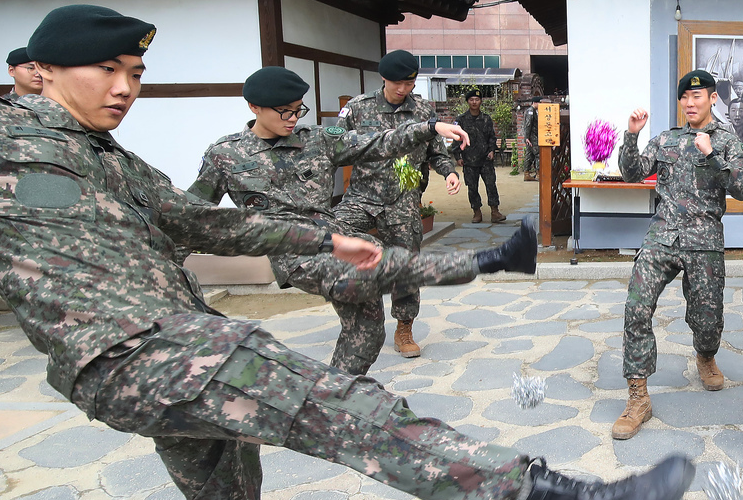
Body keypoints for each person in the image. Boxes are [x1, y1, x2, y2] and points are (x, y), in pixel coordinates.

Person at [0, 4, 695, 500]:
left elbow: (209, 225)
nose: (125, 86)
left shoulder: (117, 161)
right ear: (41, 69)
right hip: (129, 353)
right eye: (107, 69)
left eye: (135, 72)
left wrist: (324, 232)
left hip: (177, 342)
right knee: (339, 400)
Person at [186, 66, 523, 375]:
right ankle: (492, 260)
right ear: (254, 107)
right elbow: (189, 214)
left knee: (368, 330)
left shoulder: (315, 140)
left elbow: (377, 142)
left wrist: (430, 126)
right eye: (284, 111)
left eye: (298, 109)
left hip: (337, 237)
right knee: (385, 266)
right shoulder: (226, 155)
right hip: (297, 255)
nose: (293, 118)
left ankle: (336, 394)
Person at [612, 70, 743, 439]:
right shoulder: (666, 139)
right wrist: (631, 135)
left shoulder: (725, 140)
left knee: (707, 320)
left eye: (698, 96)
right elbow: (631, 173)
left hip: (703, 239)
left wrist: (712, 158)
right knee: (637, 306)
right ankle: (638, 396)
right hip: (663, 235)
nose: (690, 103)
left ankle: (706, 356)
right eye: (684, 98)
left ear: (712, 99)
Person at [335, 50, 461, 359]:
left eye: (410, 83)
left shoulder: (422, 109)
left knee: (406, 261)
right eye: (397, 84)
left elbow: (436, 151)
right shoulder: (357, 109)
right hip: (362, 196)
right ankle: (356, 314)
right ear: (383, 79)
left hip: (403, 197)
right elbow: (335, 147)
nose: (403, 90)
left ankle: (404, 327)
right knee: (332, 238)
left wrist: (450, 172)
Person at [457, 88, 505, 224]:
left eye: (477, 100)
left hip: (485, 159)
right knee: (472, 188)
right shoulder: (461, 120)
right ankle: (476, 212)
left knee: (491, 185)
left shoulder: (486, 119)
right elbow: (457, 138)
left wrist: (491, 150)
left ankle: (495, 211)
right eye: (471, 100)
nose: (474, 102)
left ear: (481, 101)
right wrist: (458, 156)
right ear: (467, 102)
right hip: (469, 160)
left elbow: (492, 137)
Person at [521, 97, 541, 180]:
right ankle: (538, 173)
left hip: (531, 136)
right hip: (532, 137)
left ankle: (527, 174)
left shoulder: (532, 111)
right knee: (538, 154)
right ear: (535, 103)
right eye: (539, 103)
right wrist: (527, 137)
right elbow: (528, 125)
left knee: (529, 155)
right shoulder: (531, 111)